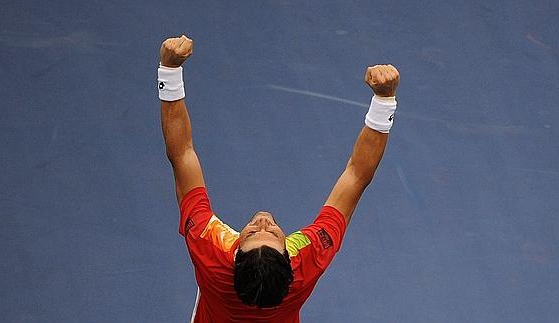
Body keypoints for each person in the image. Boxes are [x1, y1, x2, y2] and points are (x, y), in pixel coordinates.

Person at [158, 35, 400, 322]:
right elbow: (356, 176)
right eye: (272, 233)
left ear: (233, 261)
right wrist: (384, 100)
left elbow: (182, 156)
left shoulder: (211, 252)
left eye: (251, 233)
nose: (263, 221)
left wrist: (169, 71)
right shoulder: (305, 263)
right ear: (290, 262)